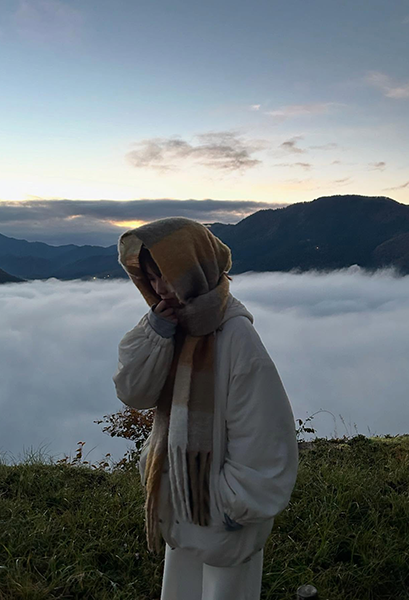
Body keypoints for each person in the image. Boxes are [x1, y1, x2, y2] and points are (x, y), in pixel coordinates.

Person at [113, 217, 298, 600]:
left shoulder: (236, 337)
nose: (160, 288)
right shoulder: (171, 326)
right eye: (151, 277)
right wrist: (155, 333)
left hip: (220, 513)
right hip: (184, 499)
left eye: (166, 274)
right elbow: (134, 392)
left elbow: (265, 435)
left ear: (193, 269)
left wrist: (230, 507)